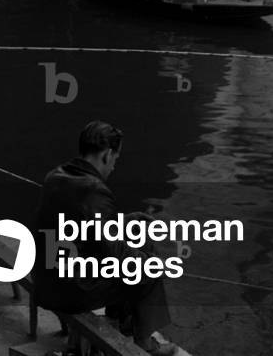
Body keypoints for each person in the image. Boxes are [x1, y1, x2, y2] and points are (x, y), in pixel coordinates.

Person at [32, 121, 177, 356]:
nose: (114, 167)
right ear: (108, 155)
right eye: (116, 160)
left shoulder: (57, 176)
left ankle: (122, 321)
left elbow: (84, 226)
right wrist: (151, 264)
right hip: (71, 289)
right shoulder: (94, 189)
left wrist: (125, 221)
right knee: (148, 267)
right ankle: (143, 343)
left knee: (137, 233)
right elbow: (113, 252)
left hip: (47, 276)